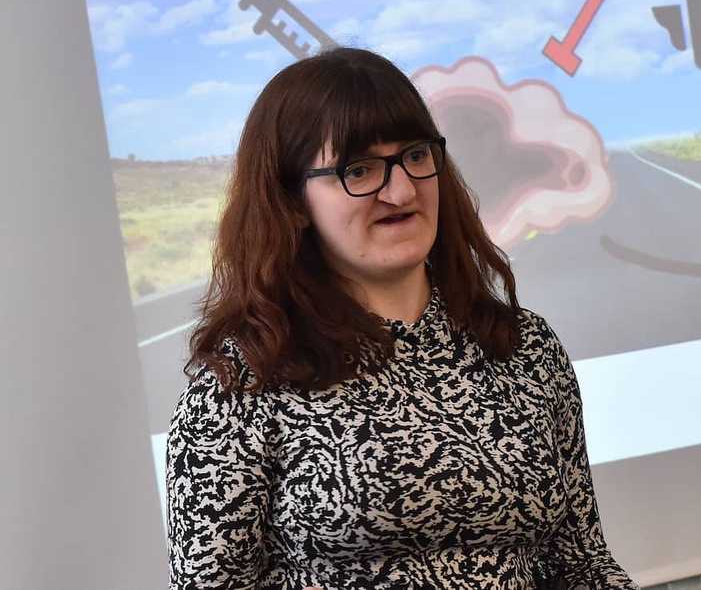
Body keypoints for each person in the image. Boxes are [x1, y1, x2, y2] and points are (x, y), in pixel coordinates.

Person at [166, 46, 639, 590]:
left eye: (414, 155)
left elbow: (582, 563)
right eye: (359, 169)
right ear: (292, 202)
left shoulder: (522, 346)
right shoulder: (244, 381)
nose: (401, 190)